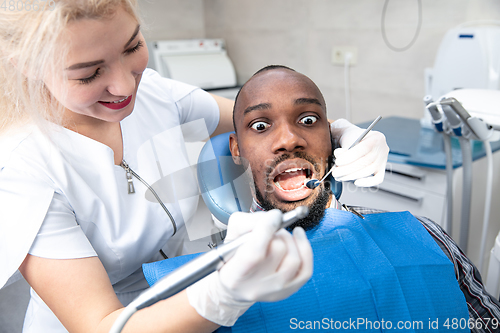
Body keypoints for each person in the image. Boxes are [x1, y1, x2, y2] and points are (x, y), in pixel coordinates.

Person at [0, 1, 391, 332]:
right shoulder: (22, 169)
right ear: (30, 66)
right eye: (89, 73)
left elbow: (265, 126)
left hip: (183, 291)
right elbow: (104, 324)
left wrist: (340, 132)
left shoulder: (157, 95)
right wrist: (223, 294)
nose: (124, 86)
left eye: (133, 46)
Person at [144, 65, 500, 332]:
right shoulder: (197, 293)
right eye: (260, 126)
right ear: (236, 149)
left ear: (332, 138)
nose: (288, 139)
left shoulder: (426, 235)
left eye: (308, 119)